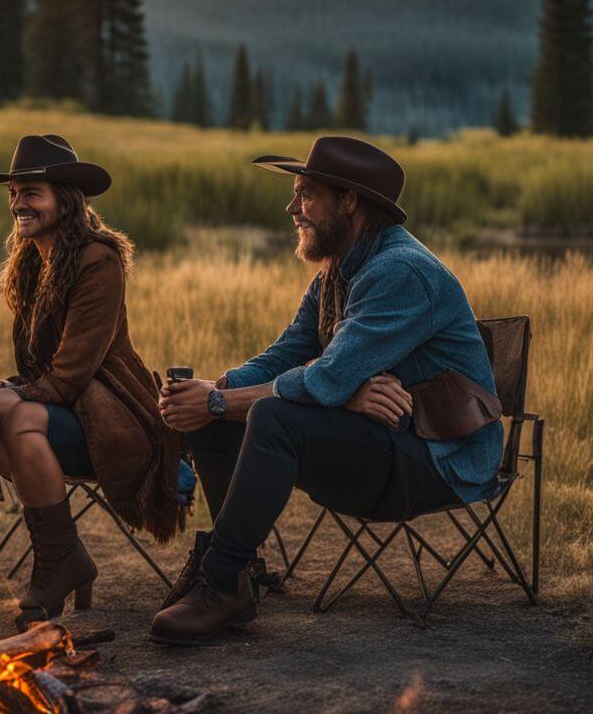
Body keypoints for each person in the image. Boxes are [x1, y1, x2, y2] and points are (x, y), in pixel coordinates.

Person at [150, 136, 503, 645]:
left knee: (272, 418)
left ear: (350, 201)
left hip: (439, 458)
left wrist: (222, 401)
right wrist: (215, 388)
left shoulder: (399, 271)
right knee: (221, 414)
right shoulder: (337, 272)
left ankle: (220, 581)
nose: (292, 208)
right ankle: (240, 570)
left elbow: (325, 379)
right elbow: (287, 355)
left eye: (306, 194)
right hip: (385, 440)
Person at [0, 134, 187, 630]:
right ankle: (66, 553)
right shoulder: (30, 264)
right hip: (62, 408)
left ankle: (56, 564)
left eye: (31, 193)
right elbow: (32, 370)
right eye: (13, 194)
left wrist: (11, 394)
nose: (18, 204)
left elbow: (70, 374)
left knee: (14, 413)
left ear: (65, 200)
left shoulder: (97, 260)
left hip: (110, 413)